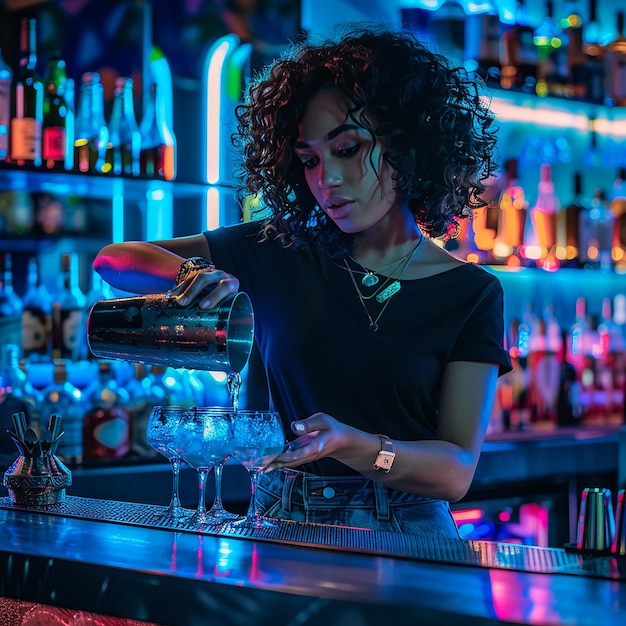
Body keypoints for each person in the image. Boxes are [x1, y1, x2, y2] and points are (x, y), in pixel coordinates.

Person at [94, 24, 512, 538]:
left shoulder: (469, 293)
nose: (326, 180)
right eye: (310, 160)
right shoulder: (278, 248)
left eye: (348, 149)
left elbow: (455, 473)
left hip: (406, 537)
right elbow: (113, 261)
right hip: (278, 523)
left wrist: (351, 444)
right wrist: (189, 274)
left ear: (410, 146)